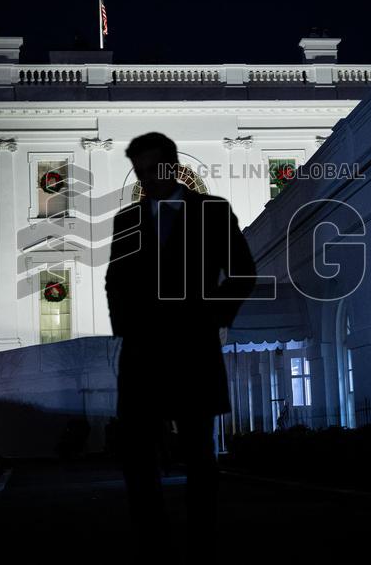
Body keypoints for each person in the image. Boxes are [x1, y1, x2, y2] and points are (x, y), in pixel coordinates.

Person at [105, 132, 257, 560]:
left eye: (154, 169)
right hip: (142, 354)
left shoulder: (212, 212)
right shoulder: (127, 221)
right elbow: (115, 281)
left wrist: (214, 317)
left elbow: (243, 272)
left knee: (199, 454)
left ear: (173, 168)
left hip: (193, 348)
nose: (147, 179)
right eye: (140, 172)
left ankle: (201, 542)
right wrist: (127, 331)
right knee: (136, 456)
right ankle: (153, 543)